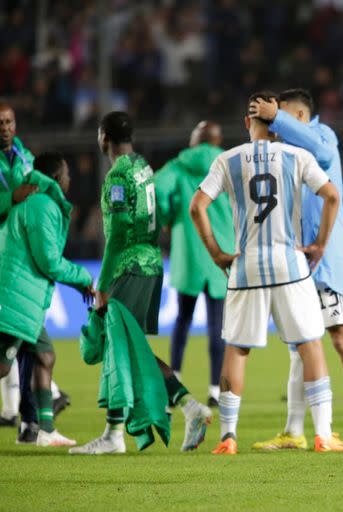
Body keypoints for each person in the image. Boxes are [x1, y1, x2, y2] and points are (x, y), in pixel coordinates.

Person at [189, 91, 343, 455]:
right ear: (276, 125)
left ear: (247, 123)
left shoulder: (227, 161)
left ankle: (228, 436)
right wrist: (320, 243)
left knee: (238, 350)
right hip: (290, 264)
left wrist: (216, 252)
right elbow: (332, 197)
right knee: (310, 345)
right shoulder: (297, 155)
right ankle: (322, 434)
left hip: (246, 266)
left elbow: (197, 207)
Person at [71, 111, 212, 455]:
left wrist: (103, 283)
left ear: (103, 137)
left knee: (118, 345)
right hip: (150, 263)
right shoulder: (144, 167)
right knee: (131, 347)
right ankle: (190, 407)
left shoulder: (118, 175)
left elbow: (118, 234)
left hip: (129, 267)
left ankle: (114, 435)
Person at [247, 88, 343, 450]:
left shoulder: (322, 137)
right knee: (299, 348)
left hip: (327, 263)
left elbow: (320, 153)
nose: (276, 124)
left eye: (282, 116)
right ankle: (294, 431)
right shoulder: (289, 151)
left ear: (298, 117)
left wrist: (276, 118)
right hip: (297, 261)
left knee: (341, 340)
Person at [0, 151, 94, 447]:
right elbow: (49, 261)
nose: (70, 179)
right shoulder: (42, 205)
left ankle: (46, 431)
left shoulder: (40, 201)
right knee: (2, 366)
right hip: (15, 295)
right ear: (57, 177)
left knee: (44, 355)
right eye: (67, 174)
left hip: (24, 296)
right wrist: (83, 278)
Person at [0, 102, 70, 439]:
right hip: (8, 264)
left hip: (19, 263)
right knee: (14, 355)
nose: (5, 127)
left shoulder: (23, 155)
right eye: (0, 122)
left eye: (10, 121)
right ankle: (33, 418)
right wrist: (9, 198)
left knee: (34, 349)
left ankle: (32, 421)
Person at [155, 121, 232, 407]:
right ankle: (215, 390)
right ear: (217, 140)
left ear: (194, 141)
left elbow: (158, 190)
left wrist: (167, 218)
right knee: (218, 326)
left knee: (182, 321)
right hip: (220, 252)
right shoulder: (228, 163)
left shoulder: (177, 166)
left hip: (187, 253)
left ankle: (173, 384)